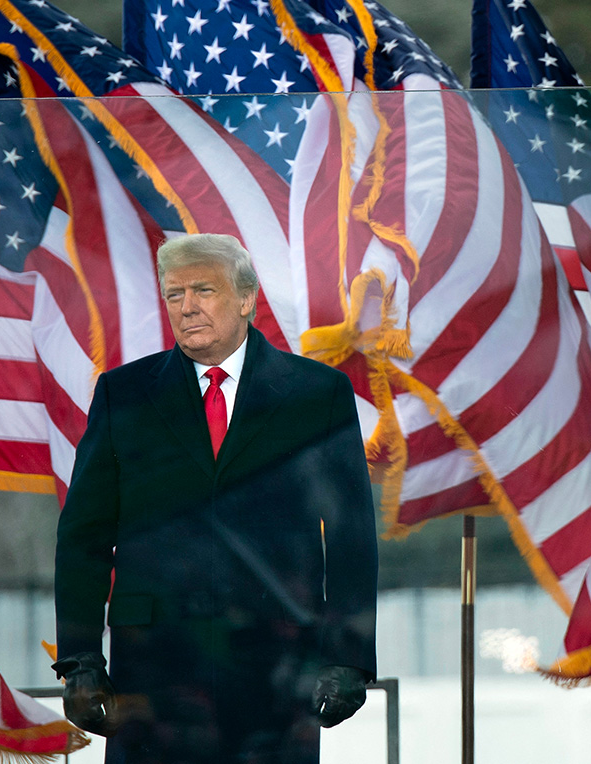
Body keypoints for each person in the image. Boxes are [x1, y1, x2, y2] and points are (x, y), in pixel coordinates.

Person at [52, 233, 377, 764]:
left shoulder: (317, 395)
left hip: (276, 665)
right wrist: (80, 659)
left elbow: (351, 538)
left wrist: (348, 658)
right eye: (174, 294)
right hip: (153, 670)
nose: (186, 307)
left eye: (203, 289)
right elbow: (83, 537)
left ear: (246, 299)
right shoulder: (123, 395)